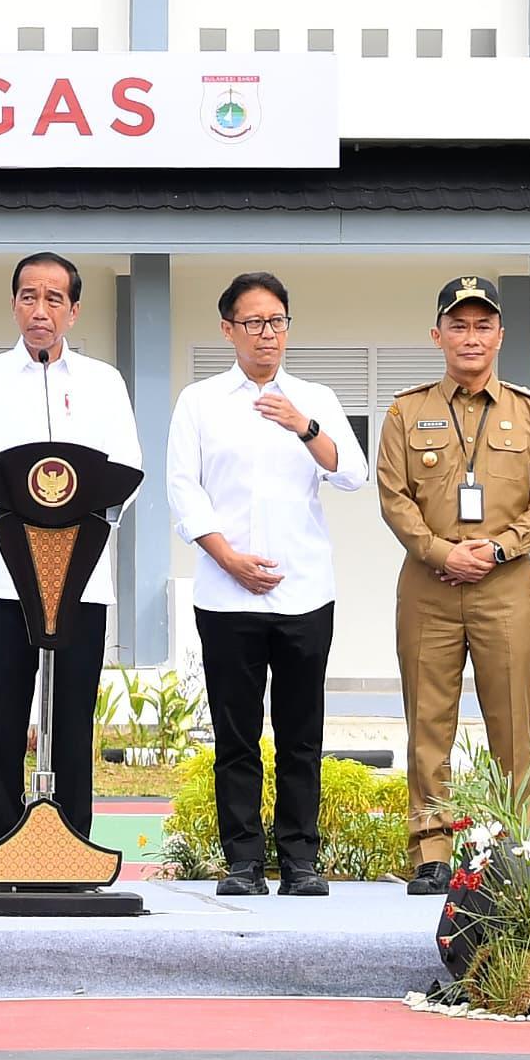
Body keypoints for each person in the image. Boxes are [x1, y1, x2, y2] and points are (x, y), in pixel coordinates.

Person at [169, 269, 366, 895]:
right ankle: (243, 862)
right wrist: (226, 557)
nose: (266, 335)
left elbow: (353, 474)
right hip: (227, 594)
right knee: (236, 734)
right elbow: (183, 488)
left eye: (276, 322)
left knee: (302, 732)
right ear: (228, 329)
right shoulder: (199, 402)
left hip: (305, 591)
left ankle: (301, 861)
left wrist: (303, 427)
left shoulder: (315, 398)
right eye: (252, 323)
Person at [374, 274, 530, 890]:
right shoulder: (407, 411)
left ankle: (519, 851)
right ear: (438, 335)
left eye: (483, 325)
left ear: (501, 336)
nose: (471, 336)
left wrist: (498, 548)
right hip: (430, 585)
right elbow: (394, 496)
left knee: (512, 721)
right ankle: (432, 851)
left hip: (505, 587)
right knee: (429, 721)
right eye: (458, 324)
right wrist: (439, 551)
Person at [0, 249, 142, 846]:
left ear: (74, 311)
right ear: (14, 305)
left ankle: (74, 843)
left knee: (73, 717)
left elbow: (126, 471)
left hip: (80, 580)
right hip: (2, 582)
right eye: (29, 296)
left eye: (54, 298)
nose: (40, 309)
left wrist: (69, 520)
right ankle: (4, 843)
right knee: (5, 717)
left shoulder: (104, 382)